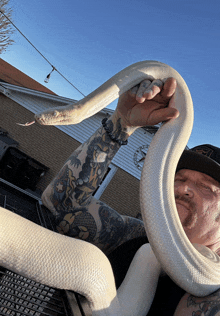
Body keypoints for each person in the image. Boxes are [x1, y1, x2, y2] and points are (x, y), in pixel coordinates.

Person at [41, 77, 220, 316]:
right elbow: (61, 205)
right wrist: (122, 123)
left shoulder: (214, 286)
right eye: (179, 179)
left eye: (206, 187)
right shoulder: (132, 236)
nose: (183, 189)